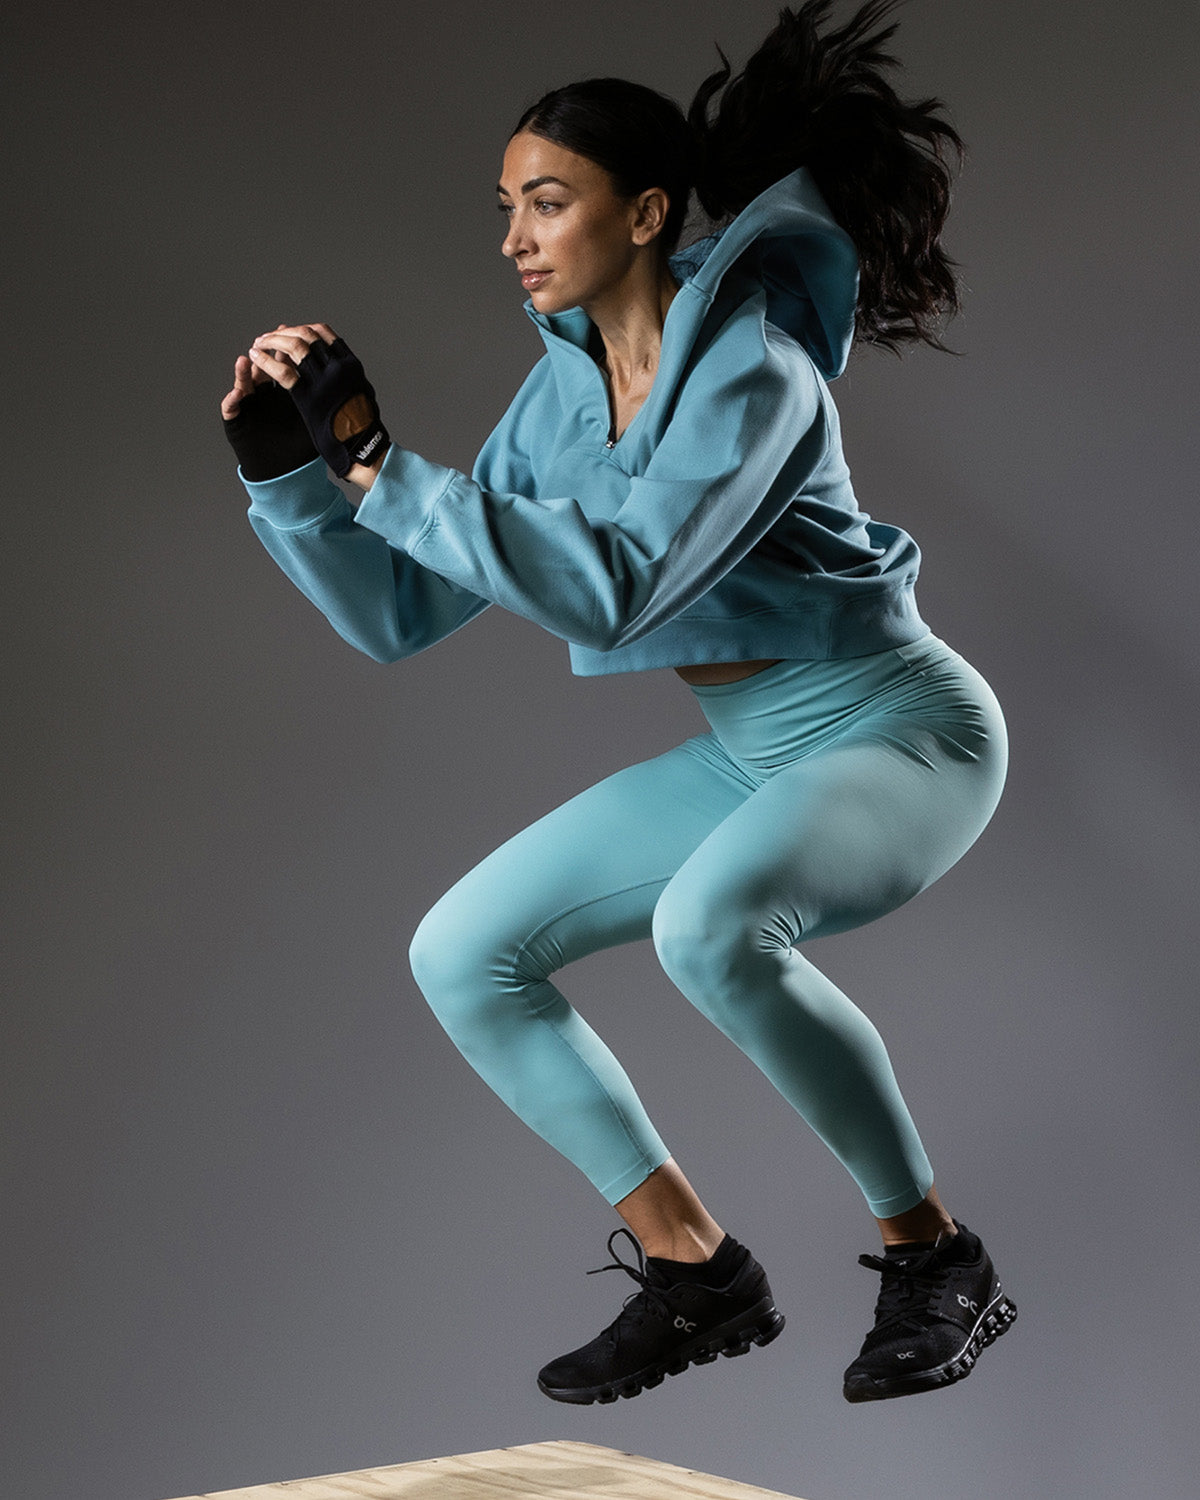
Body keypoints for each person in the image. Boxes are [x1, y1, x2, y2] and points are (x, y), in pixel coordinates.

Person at [221, 0, 1017, 1406]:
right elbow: (404, 615)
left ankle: (934, 1254)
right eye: (506, 207)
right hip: (750, 755)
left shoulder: (755, 373)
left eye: (549, 200)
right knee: (462, 950)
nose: (517, 235)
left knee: (709, 928)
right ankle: (697, 1269)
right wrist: (292, 478)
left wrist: (382, 465)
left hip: (902, 732)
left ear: (646, 212)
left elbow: (619, 591)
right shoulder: (556, 405)